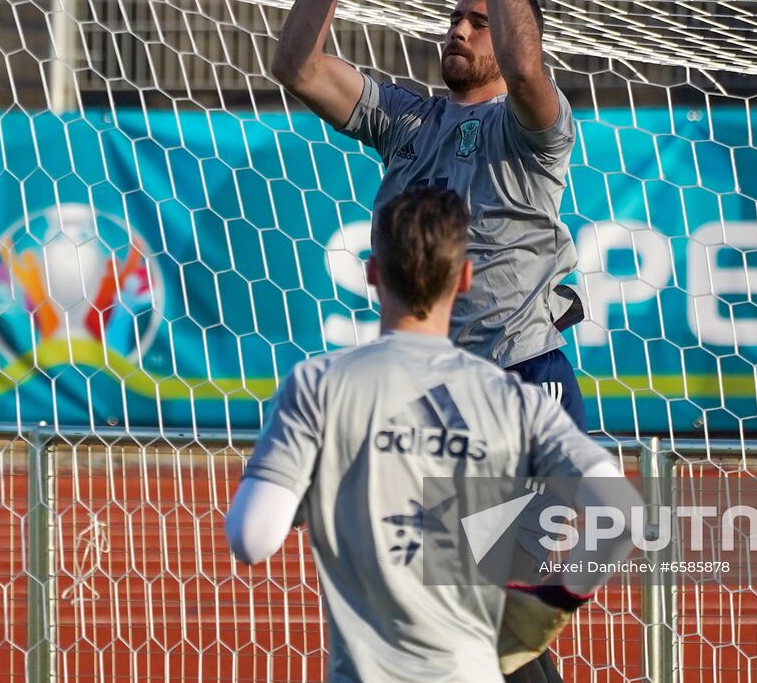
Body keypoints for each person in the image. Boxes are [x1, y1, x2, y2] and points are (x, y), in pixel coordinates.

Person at [225, 188, 639, 682]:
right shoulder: (514, 398)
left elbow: (252, 539)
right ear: (464, 278)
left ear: (372, 274)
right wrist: (551, 602)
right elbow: (622, 513)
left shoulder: (317, 387)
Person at [271, 0, 588, 436]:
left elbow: (522, 71)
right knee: (428, 531)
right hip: (426, 382)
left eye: (480, 20)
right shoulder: (407, 121)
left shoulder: (532, 128)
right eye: (455, 18)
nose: (459, 28)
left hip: (519, 374)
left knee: (546, 530)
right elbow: (297, 68)